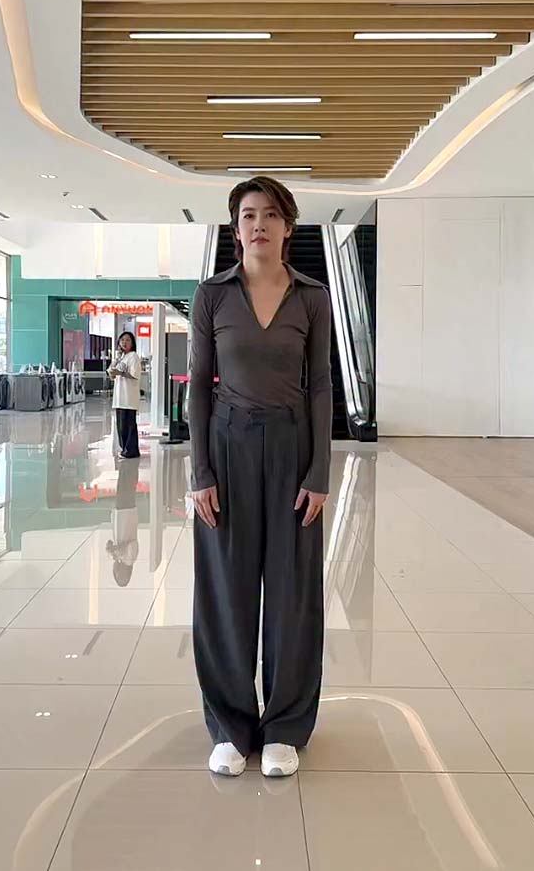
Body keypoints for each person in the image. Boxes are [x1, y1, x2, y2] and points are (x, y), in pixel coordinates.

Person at [189, 176, 332, 778]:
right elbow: (199, 387)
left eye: (271, 214)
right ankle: (230, 726)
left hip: (293, 448)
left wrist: (320, 471)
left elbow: (321, 385)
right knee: (225, 587)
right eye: (248, 215)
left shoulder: (312, 297)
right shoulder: (212, 295)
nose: (259, 225)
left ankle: (285, 727)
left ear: (288, 226)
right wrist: (199, 471)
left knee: (293, 591)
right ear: (235, 227)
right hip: (228, 448)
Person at [106, 455, 140, 586]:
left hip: (120, 515)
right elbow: (132, 545)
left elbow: (111, 542)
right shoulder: (130, 559)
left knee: (122, 486)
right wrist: (118, 549)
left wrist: (111, 549)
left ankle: (126, 464)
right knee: (128, 486)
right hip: (127, 514)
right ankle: (130, 464)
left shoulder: (119, 558)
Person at [108, 331, 141, 459]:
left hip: (129, 397)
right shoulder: (121, 357)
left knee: (129, 425)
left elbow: (134, 375)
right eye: (122, 340)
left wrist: (120, 373)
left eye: (127, 340)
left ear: (132, 343)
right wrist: (115, 364)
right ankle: (124, 449)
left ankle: (131, 450)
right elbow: (111, 374)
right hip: (119, 397)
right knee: (121, 425)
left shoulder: (133, 357)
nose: (124, 343)